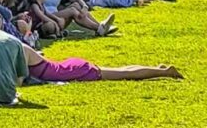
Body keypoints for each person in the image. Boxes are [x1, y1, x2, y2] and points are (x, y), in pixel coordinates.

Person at [23, 44, 183, 84]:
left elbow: (20, 80)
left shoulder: (20, 50)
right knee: (122, 70)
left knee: (126, 74)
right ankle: (160, 69)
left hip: (73, 71)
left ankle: (166, 72)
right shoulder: (23, 48)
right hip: (69, 67)